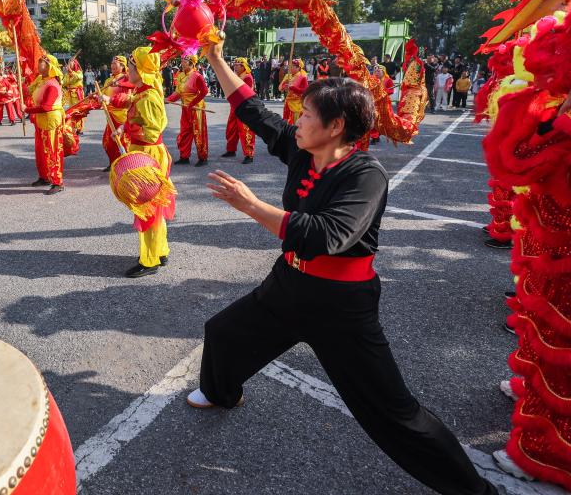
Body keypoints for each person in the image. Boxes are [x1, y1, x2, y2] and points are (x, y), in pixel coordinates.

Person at [188, 41, 498, 495]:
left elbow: (326, 235)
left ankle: (475, 490)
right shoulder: (301, 151)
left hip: (340, 306)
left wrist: (251, 206)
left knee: (395, 414)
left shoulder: (365, 175)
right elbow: (251, 109)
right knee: (222, 332)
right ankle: (222, 392)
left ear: (335, 127)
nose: (296, 120)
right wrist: (214, 56)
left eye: (307, 114)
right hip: (289, 284)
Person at [111, 46, 174, 278]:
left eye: (132, 66)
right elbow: (137, 121)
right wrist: (123, 127)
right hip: (146, 151)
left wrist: (128, 130)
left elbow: (151, 132)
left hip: (148, 154)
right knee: (154, 207)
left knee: (147, 208)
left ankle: (150, 260)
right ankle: (161, 250)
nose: (128, 69)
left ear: (142, 70)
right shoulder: (143, 91)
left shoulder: (148, 96)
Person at [24, 54, 65, 195]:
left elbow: (47, 107)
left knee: (52, 151)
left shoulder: (52, 84)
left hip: (50, 121)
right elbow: (29, 92)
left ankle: (57, 182)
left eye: (41, 62)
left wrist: (28, 109)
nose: (38, 65)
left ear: (49, 66)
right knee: (41, 151)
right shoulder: (42, 81)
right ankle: (45, 177)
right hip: (41, 120)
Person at [166, 55, 209, 166]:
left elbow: (204, 91)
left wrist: (192, 103)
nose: (182, 62)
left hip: (196, 109)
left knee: (198, 132)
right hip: (185, 108)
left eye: (185, 61)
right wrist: (168, 99)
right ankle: (184, 156)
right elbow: (178, 93)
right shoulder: (180, 75)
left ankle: (202, 157)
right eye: (182, 61)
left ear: (191, 63)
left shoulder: (197, 76)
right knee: (185, 132)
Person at [99, 55, 134, 171]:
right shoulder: (109, 80)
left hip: (122, 115)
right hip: (110, 115)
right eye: (112, 63)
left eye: (116, 63)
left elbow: (132, 85)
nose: (112, 65)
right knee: (108, 142)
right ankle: (113, 163)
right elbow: (103, 94)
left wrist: (119, 84)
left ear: (123, 66)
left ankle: (126, 164)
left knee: (123, 142)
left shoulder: (126, 77)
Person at [222, 57, 255, 164]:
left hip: (244, 107)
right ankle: (231, 150)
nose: (235, 66)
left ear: (243, 66)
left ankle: (249, 155)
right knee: (231, 129)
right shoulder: (236, 75)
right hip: (234, 106)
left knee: (245, 131)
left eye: (237, 65)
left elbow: (245, 93)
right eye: (234, 65)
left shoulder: (247, 77)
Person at [279, 58, 309, 125]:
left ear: (298, 68)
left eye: (292, 66)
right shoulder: (287, 76)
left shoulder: (302, 77)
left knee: (296, 124)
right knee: (287, 123)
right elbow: (280, 88)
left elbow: (305, 91)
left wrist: (292, 87)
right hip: (288, 103)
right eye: (290, 66)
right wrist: (284, 85)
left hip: (297, 104)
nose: (290, 68)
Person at [63, 57, 86, 137]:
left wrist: (71, 73)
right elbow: (64, 83)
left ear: (75, 63)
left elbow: (78, 78)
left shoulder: (79, 72)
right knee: (71, 111)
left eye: (71, 62)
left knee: (79, 111)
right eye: (68, 63)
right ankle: (73, 127)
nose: (69, 64)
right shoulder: (67, 74)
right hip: (69, 94)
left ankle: (79, 128)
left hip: (77, 94)